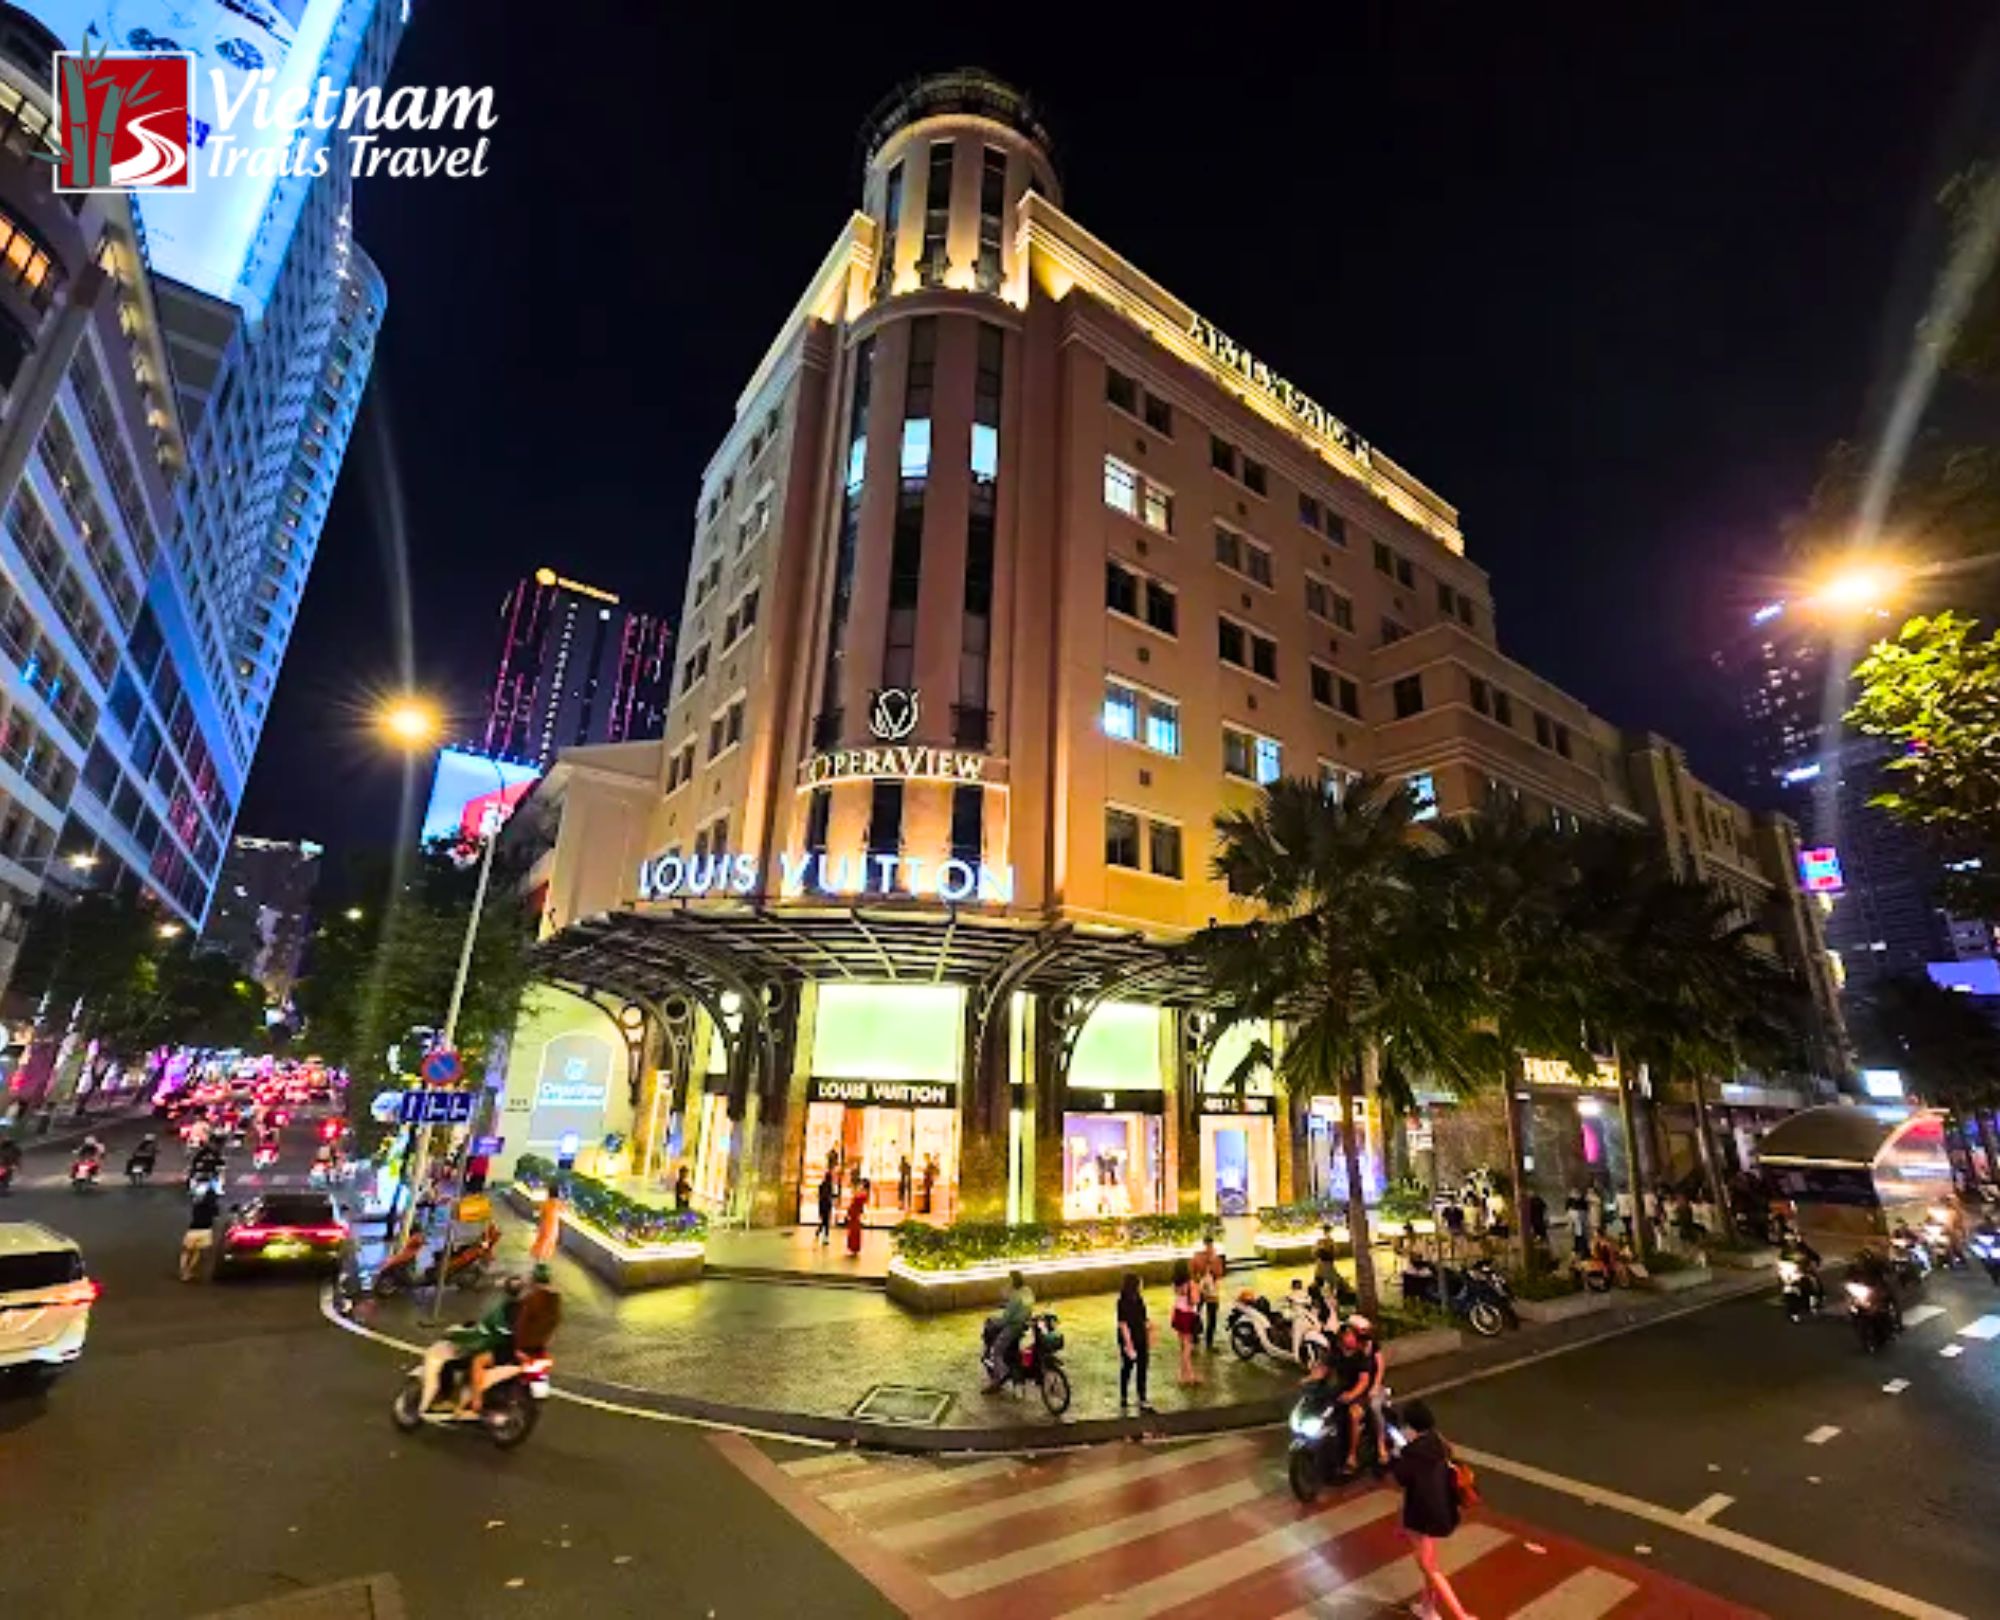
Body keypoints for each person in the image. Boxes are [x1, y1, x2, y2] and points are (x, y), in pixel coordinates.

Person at [1389, 1399, 1476, 1620]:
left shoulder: (1412, 1452)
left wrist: (1396, 1455)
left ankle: (1461, 1615)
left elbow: (1401, 1478)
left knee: (1429, 1567)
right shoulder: (1437, 1442)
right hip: (1441, 1511)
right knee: (1429, 1564)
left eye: (1404, 1426)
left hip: (1423, 1516)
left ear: (1410, 1428)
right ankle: (1427, 1608)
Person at [983, 1269, 1035, 1391]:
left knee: (997, 1350)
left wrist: (994, 1321)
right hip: (1024, 1324)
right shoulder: (1027, 1291)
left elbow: (1006, 1319)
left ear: (1013, 1281)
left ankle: (999, 1376)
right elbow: (1024, 1307)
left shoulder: (1015, 1295)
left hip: (1013, 1327)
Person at [1116, 1272, 1154, 1414]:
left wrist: (1149, 1331)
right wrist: (1129, 1344)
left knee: (1142, 1366)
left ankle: (1141, 1395)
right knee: (1127, 1366)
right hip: (1129, 1337)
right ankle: (1124, 1395)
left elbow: (1144, 1318)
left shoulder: (1139, 1299)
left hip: (1140, 1336)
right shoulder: (1122, 1302)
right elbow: (1123, 1324)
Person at [1169, 1257, 1202, 1386]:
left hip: (1178, 1313)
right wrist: (1198, 1291)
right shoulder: (1190, 1283)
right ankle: (1186, 1376)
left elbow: (1179, 1297)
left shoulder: (1175, 1284)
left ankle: (1186, 1375)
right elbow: (1194, 1301)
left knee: (1183, 1346)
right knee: (1188, 1347)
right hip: (1188, 1315)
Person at [181, 1180, 221, 1282]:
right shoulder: (214, 1207)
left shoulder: (198, 1205)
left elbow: (194, 1213)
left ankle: (183, 1271)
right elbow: (216, 1218)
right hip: (206, 1231)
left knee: (186, 1251)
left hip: (193, 1229)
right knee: (197, 1252)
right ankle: (190, 1270)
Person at [1194, 1234, 1226, 1351]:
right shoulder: (1202, 1257)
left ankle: (1206, 1340)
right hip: (1205, 1291)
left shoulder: (1212, 1258)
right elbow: (1219, 1274)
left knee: (1206, 1315)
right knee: (1199, 1314)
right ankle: (1202, 1339)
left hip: (1208, 1291)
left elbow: (1219, 1274)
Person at [844, 1177, 869, 1256]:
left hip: (855, 1213)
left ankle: (854, 1246)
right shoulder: (862, 1193)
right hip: (855, 1213)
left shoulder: (862, 1194)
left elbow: (857, 1202)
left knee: (854, 1230)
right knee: (853, 1230)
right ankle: (853, 1247)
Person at [814, 1167, 837, 1245]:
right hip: (827, 1205)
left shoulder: (821, 1185)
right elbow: (830, 1195)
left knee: (824, 1221)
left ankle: (819, 1232)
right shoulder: (830, 1186)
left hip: (822, 1204)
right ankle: (825, 1237)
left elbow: (820, 1195)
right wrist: (834, 1197)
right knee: (826, 1222)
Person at [1565, 1190, 1589, 1259]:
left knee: (1579, 1235)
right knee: (1579, 1235)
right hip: (1577, 1218)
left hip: (1579, 1217)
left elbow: (1585, 1209)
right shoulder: (1574, 1202)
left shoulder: (1578, 1203)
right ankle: (1579, 1250)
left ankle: (1579, 1250)